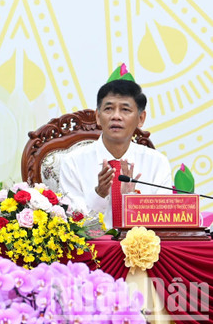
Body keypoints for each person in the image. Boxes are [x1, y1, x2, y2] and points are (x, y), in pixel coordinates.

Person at [59, 65, 172, 228]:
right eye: (109, 109)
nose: (116, 116)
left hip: (142, 251)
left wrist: (132, 202)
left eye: (125, 110)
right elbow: (72, 225)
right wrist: (99, 194)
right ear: (98, 116)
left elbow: (163, 221)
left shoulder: (157, 163)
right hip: (93, 251)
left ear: (141, 118)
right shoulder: (73, 162)